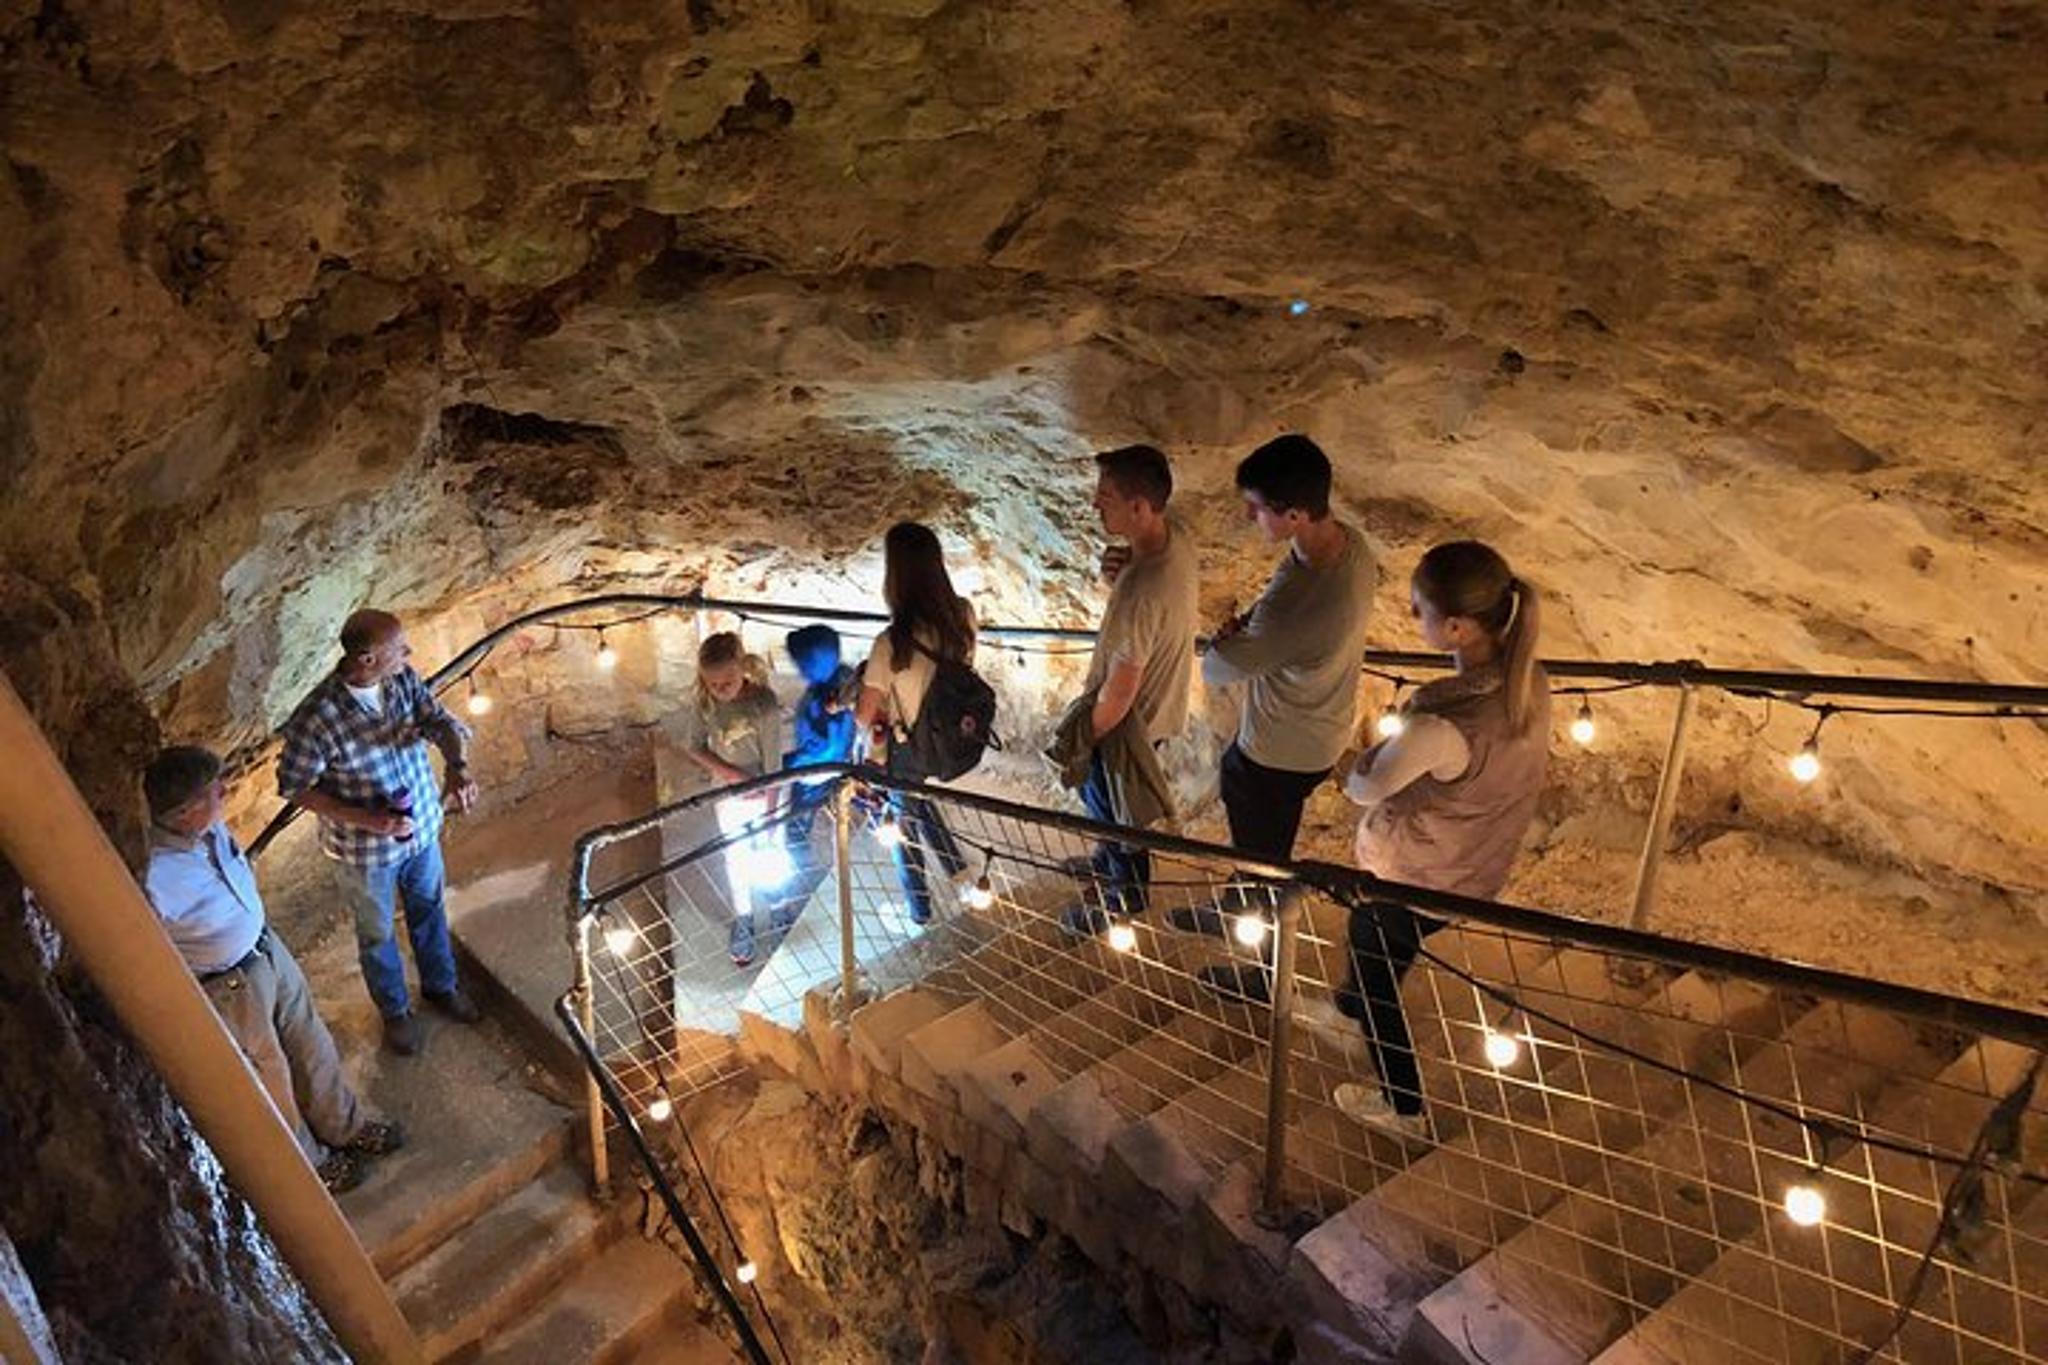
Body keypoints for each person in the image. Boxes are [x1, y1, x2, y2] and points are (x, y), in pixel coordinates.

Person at [1330, 542, 1552, 1144]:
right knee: (1383, 942)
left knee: (1372, 944)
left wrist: (1362, 755)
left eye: (1418, 608)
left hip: (1423, 873)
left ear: (1453, 628)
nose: (1410, 616)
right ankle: (1346, 1011)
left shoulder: (1441, 724)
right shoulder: (1528, 683)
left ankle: (1404, 1108)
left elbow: (1363, 787)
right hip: (1472, 867)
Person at [143, 746, 404, 1191]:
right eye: (213, 793)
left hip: (267, 949)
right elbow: (151, 953)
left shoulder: (209, 829)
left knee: (311, 1041)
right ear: (185, 812)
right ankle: (312, 1164)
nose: (225, 793)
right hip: (229, 984)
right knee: (271, 1074)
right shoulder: (154, 877)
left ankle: (344, 1126)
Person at [1171, 435, 1377, 986]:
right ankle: (1233, 908)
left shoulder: (1301, 604)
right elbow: (1268, 627)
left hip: (1277, 751)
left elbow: (1216, 670)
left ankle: (1266, 971)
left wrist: (1231, 640)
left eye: (1258, 507)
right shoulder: (1349, 547)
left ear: (1294, 514)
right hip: (1318, 730)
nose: (1249, 515)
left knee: (1268, 860)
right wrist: (1253, 633)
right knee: (1262, 846)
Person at [277, 608, 482, 1056]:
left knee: (429, 909)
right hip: (364, 854)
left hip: (422, 830)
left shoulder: (401, 680)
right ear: (367, 658)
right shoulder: (317, 718)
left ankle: (440, 987)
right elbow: (294, 787)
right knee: (376, 935)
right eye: (398, 648)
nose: (408, 654)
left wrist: (458, 768)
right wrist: (370, 820)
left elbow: (439, 721)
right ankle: (395, 1012)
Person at [1056, 445, 1199, 938]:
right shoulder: (1174, 537)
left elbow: (1118, 693)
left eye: (1106, 497)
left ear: (1139, 507)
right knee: (1118, 812)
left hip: (1125, 726)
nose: (1096, 505)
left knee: (1119, 813)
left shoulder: (1142, 591)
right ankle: (1106, 863)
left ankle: (1123, 899)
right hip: (1157, 711)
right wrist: (1115, 569)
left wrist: (1081, 739)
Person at [853, 522, 975, 925]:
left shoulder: (892, 642)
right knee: (916, 803)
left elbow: (864, 715)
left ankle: (919, 909)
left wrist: (868, 687)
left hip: (908, 748)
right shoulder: (963, 617)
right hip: (949, 733)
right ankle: (962, 876)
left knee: (900, 824)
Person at [676, 631, 785, 967]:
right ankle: (744, 916)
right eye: (714, 685)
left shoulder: (763, 706)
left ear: (742, 669)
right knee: (736, 859)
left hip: (766, 796)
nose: (721, 690)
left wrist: (771, 815)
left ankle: (779, 910)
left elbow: (774, 767)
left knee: (773, 855)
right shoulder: (705, 703)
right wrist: (730, 774)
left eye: (728, 681)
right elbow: (693, 745)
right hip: (730, 796)